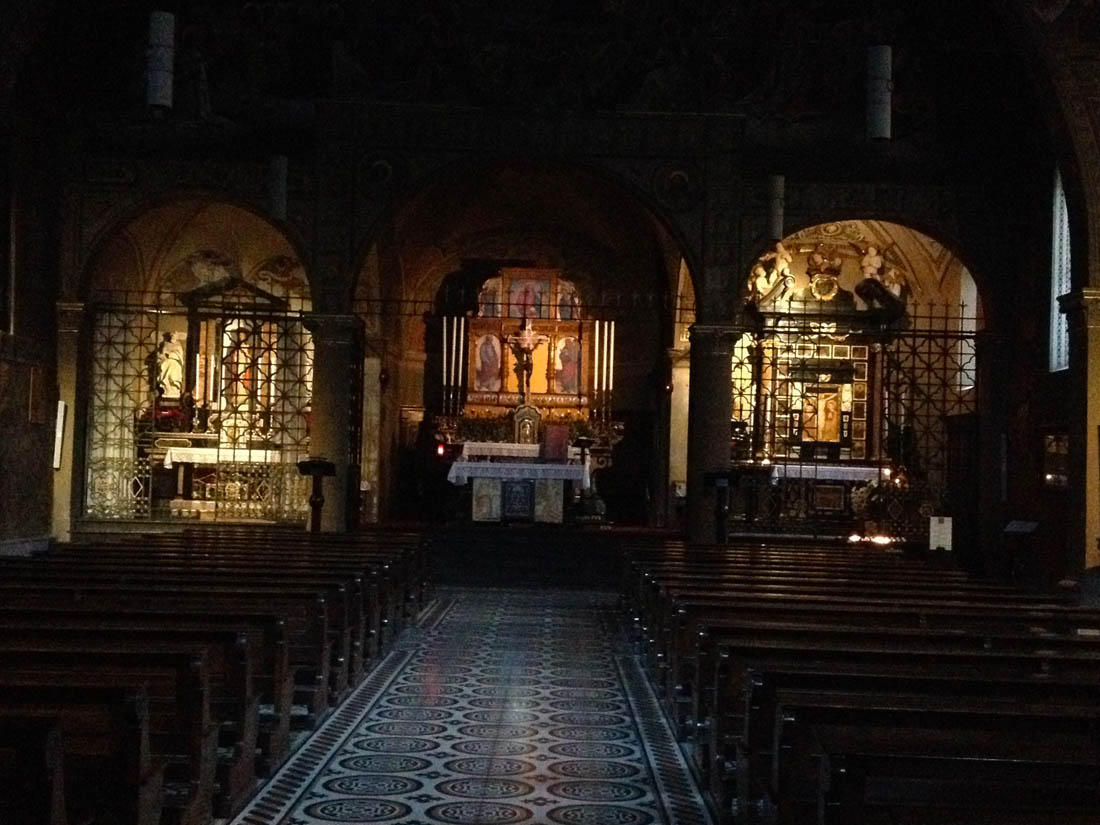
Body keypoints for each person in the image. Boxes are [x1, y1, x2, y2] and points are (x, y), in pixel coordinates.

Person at [156, 331, 185, 397]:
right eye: (171, 336)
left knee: (173, 377)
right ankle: (167, 390)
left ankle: (174, 390)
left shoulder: (178, 345)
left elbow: (180, 356)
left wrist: (172, 354)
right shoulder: (165, 344)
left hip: (175, 363)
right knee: (165, 374)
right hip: (166, 362)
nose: (173, 337)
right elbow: (162, 353)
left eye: (174, 336)